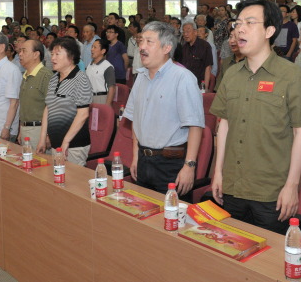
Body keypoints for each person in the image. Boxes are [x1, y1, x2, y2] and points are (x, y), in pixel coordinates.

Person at [210, 0, 301, 234]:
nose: (240, 29)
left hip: (271, 193)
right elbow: (223, 127)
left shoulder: (292, 76)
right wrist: (218, 173)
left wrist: (292, 186)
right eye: (238, 23)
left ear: (269, 31)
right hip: (232, 187)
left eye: (249, 23)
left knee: (270, 254)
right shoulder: (231, 75)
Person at [125, 21, 204, 198]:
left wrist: (189, 166)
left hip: (171, 165)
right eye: (141, 41)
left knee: (171, 214)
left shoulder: (183, 78)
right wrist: (136, 156)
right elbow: (136, 120)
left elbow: (195, 126)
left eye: (149, 42)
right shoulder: (141, 77)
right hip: (143, 160)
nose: (142, 47)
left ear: (166, 48)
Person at [38, 37, 92, 165]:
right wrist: (42, 138)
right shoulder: (54, 79)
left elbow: (83, 114)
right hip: (56, 144)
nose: (53, 58)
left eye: (57, 54)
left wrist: (66, 141)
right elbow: (48, 108)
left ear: (71, 56)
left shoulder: (81, 79)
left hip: (73, 145)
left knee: (72, 178)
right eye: (52, 54)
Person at [18, 39, 52, 150]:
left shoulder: (46, 75)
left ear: (36, 54)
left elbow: (51, 106)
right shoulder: (26, 75)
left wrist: (47, 134)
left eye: (24, 51)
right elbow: (25, 106)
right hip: (25, 129)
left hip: (39, 130)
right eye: (20, 51)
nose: (20, 54)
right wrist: (21, 129)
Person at [180, 22, 213, 88]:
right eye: (184, 32)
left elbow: (208, 67)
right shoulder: (184, 47)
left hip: (199, 84)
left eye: (188, 31)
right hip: (185, 83)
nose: (185, 34)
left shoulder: (205, 46)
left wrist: (205, 87)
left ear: (195, 32)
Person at [86, 38, 116, 106]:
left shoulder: (107, 67)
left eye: (95, 47)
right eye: (92, 47)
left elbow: (112, 88)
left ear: (103, 51)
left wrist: (107, 106)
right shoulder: (89, 65)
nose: (92, 49)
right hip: (89, 98)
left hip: (101, 98)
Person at [215, 25, 245, 91]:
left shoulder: (252, 62)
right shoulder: (226, 62)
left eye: (236, 37)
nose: (232, 41)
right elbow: (218, 89)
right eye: (230, 37)